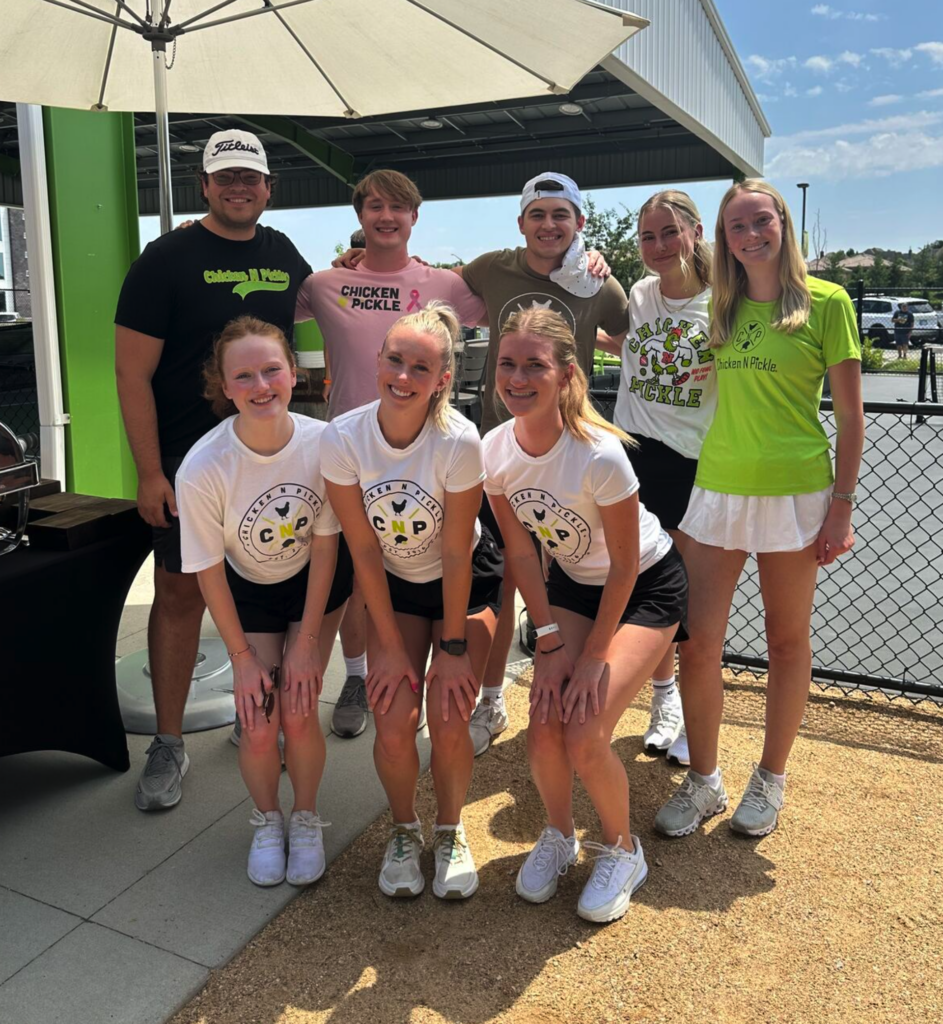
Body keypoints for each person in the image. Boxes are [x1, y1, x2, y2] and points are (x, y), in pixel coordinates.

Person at [654, 179, 864, 840]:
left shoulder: (827, 303)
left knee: (785, 640)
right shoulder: (721, 304)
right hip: (716, 490)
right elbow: (663, 276)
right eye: (735, 226)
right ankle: (703, 781)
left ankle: (769, 780)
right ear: (723, 237)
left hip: (797, 494)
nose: (749, 234)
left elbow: (851, 418)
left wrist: (840, 509)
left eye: (759, 220)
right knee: (697, 643)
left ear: (781, 224)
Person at [115, 130, 313, 811]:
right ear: (204, 185)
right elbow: (130, 373)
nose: (238, 187)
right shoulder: (164, 259)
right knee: (179, 594)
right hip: (185, 462)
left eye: (250, 178)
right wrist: (148, 472)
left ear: (267, 188)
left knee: (268, 586)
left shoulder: (284, 253)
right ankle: (167, 743)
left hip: (268, 456)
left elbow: (323, 309)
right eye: (225, 177)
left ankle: (256, 713)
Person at [483, 307, 687, 923]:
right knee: (544, 719)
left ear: (567, 373)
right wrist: (547, 642)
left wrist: (593, 657)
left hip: (645, 587)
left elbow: (626, 567)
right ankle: (559, 834)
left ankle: (624, 850)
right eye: (508, 364)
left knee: (584, 727)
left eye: (534, 365)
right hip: (571, 586)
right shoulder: (495, 450)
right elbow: (521, 549)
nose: (518, 377)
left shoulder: (600, 455)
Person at [296, 170, 488, 741]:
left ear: (415, 217)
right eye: (375, 206)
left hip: (424, 455)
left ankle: (467, 682)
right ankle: (356, 675)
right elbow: (264, 301)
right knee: (357, 570)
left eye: (398, 207)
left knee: (428, 559)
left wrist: (587, 259)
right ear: (358, 216)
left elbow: (509, 296)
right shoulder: (324, 282)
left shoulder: (444, 283)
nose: (386, 216)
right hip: (349, 450)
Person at [321, 303, 502, 899]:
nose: (402, 376)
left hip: (462, 583)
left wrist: (451, 647)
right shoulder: (344, 437)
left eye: (420, 368)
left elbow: (455, 555)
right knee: (394, 719)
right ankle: (404, 830)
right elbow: (365, 553)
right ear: (377, 361)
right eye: (394, 360)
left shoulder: (459, 441)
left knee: (450, 719)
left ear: (443, 379)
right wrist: (393, 650)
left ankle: (449, 830)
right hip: (393, 584)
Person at [459, 172, 631, 759]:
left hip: (572, 449)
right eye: (539, 214)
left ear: (579, 223)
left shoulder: (598, 284)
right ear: (521, 223)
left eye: (562, 215)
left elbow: (633, 334)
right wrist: (364, 253)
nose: (550, 225)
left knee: (592, 562)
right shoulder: (491, 269)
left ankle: (653, 690)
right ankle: (492, 698)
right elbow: (433, 284)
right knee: (510, 574)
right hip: (503, 446)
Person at [175, 316, 351, 886]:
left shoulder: (322, 444)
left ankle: (304, 817)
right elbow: (205, 570)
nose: (260, 386)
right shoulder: (203, 468)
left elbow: (326, 546)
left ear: (293, 373)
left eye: (272, 370)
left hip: (313, 583)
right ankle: (267, 820)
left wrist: (307, 643)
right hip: (245, 587)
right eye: (243, 375)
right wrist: (244, 661)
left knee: (298, 710)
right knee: (256, 719)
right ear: (223, 387)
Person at [596, 190, 715, 766]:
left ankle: (695, 720)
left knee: (689, 595)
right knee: (648, 585)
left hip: (693, 462)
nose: (659, 245)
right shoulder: (640, 295)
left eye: (670, 232)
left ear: (694, 231)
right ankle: (663, 701)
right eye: (648, 236)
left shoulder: (725, 303)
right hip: (633, 456)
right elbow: (624, 342)